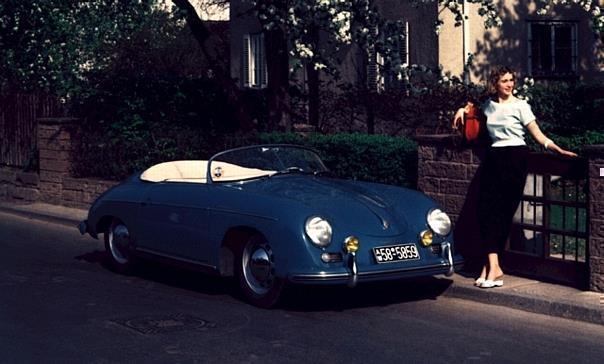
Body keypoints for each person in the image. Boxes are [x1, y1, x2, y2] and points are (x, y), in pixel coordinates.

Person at [452, 66, 577, 288]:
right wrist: (463, 109)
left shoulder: (521, 106)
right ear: (495, 84)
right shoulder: (489, 106)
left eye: (512, 80)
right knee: (484, 210)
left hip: (515, 158)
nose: (510, 84)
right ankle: (491, 266)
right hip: (494, 158)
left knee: (501, 212)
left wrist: (556, 149)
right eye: (504, 81)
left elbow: (537, 135)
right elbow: (474, 112)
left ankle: (492, 267)